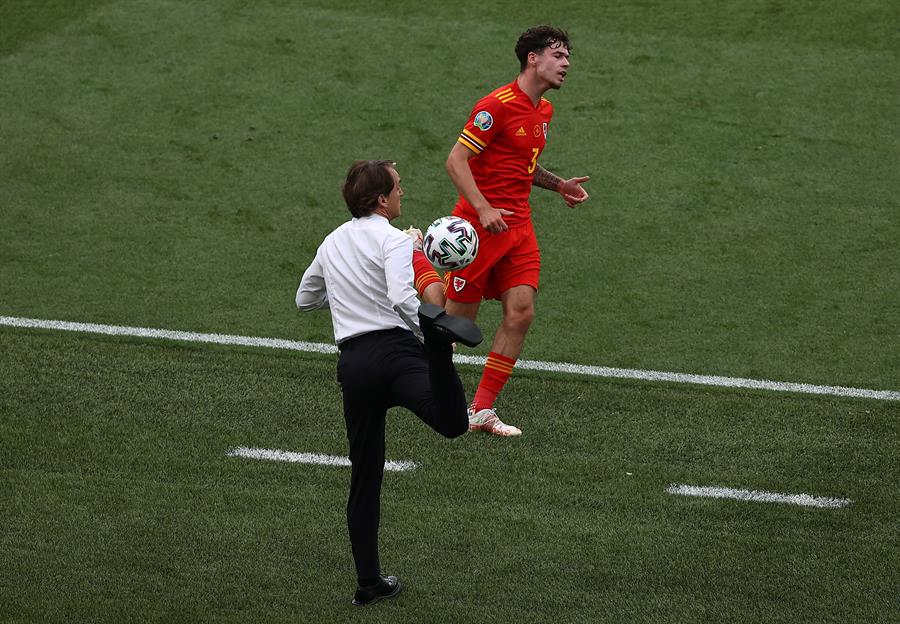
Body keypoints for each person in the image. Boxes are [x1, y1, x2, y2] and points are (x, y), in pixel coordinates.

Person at [295, 159, 482, 606]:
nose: (404, 193)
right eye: (398, 187)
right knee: (453, 421)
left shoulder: (332, 241)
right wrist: (429, 337)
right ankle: (440, 351)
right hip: (396, 355)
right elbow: (402, 297)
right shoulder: (395, 240)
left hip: (354, 363)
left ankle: (369, 584)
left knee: (365, 476)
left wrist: (348, 294)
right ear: (381, 199)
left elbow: (306, 299)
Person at [444, 25, 590, 437]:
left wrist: (558, 184)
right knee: (456, 330)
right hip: (477, 228)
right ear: (533, 59)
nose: (566, 64)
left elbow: (522, 167)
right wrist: (483, 207)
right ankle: (417, 379)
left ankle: (481, 410)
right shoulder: (496, 106)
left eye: (567, 57)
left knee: (521, 313)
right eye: (559, 55)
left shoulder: (543, 111)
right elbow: (456, 160)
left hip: (518, 228)